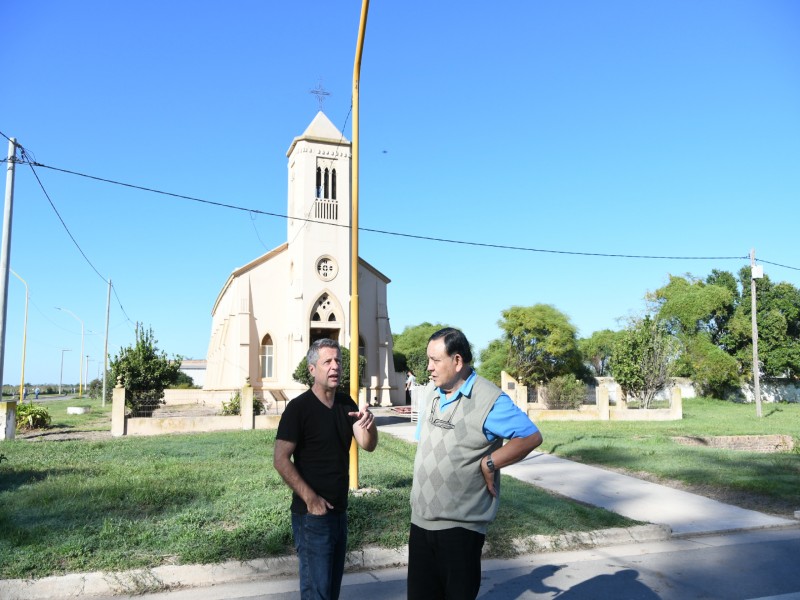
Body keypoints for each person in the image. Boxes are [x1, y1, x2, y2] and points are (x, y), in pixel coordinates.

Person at [408, 327, 543, 600]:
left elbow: (530, 436)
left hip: (460, 529)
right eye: (428, 360)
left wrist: (491, 462)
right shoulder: (433, 394)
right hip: (420, 523)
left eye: (435, 360)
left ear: (457, 361)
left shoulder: (488, 399)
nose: (429, 368)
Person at [273, 338, 378, 600]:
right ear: (312, 370)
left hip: (340, 512)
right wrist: (311, 500)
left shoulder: (346, 404)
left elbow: (368, 444)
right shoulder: (298, 409)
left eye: (338, 361)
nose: (335, 367)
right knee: (316, 593)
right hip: (312, 517)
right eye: (327, 362)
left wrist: (370, 423)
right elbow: (280, 459)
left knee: (330, 592)